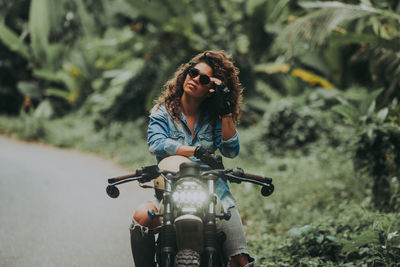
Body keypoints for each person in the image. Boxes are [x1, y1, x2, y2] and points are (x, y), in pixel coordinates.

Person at [130, 50, 254, 267]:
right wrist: (195, 151)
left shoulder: (215, 117)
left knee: (240, 261)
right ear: (185, 73)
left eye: (204, 79)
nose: (196, 79)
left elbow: (231, 150)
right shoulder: (163, 112)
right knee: (142, 217)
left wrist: (224, 110)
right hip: (171, 193)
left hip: (214, 195)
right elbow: (156, 143)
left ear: (211, 89)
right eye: (193, 72)